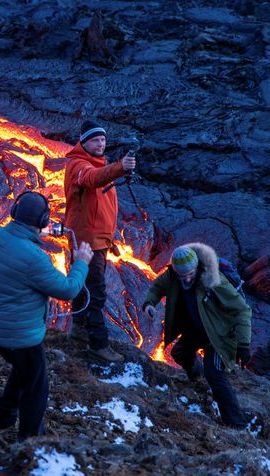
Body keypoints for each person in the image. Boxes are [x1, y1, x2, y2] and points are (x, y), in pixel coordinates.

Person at [0, 191, 93, 439]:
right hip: (21, 336)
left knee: (23, 372)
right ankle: (29, 439)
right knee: (36, 388)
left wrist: (33, 234)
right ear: (43, 221)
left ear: (14, 213)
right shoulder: (35, 258)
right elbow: (68, 290)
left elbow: (16, 247)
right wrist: (82, 262)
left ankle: (1, 420)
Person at [142, 243, 252, 428]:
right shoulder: (174, 275)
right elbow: (157, 287)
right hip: (198, 328)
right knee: (180, 353)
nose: (186, 279)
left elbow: (242, 310)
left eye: (190, 274)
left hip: (220, 334)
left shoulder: (214, 280)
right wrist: (149, 303)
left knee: (216, 375)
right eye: (181, 275)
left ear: (197, 267)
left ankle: (237, 424)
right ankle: (198, 380)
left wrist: (243, 344)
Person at [64, 120, 135, 362]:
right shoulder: (79, 166)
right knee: (97, 292)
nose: (101, 143)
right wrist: (119, 167)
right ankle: (98, 344)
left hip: (96, 239)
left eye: (103, 139)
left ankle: (78, 330)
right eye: (95, 139)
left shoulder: (97, 164)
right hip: (87, 242)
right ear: (83, 142)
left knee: (83, 287)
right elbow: (92, 179)